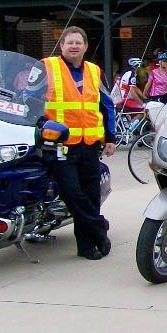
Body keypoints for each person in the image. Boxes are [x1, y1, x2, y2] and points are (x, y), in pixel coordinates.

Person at [42, 26, 116, 261]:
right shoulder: (47, 67)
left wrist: (110, 137)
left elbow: (107, 105)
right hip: (60, 146)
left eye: (78, 42)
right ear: (61, 46)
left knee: (91, 195)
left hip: (90, 144)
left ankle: (87, 246)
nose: (74, 46)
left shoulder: (94, 71)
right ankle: (99, 228)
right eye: (69, 42)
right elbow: (29, 98)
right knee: (72, 193)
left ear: (85, 46)